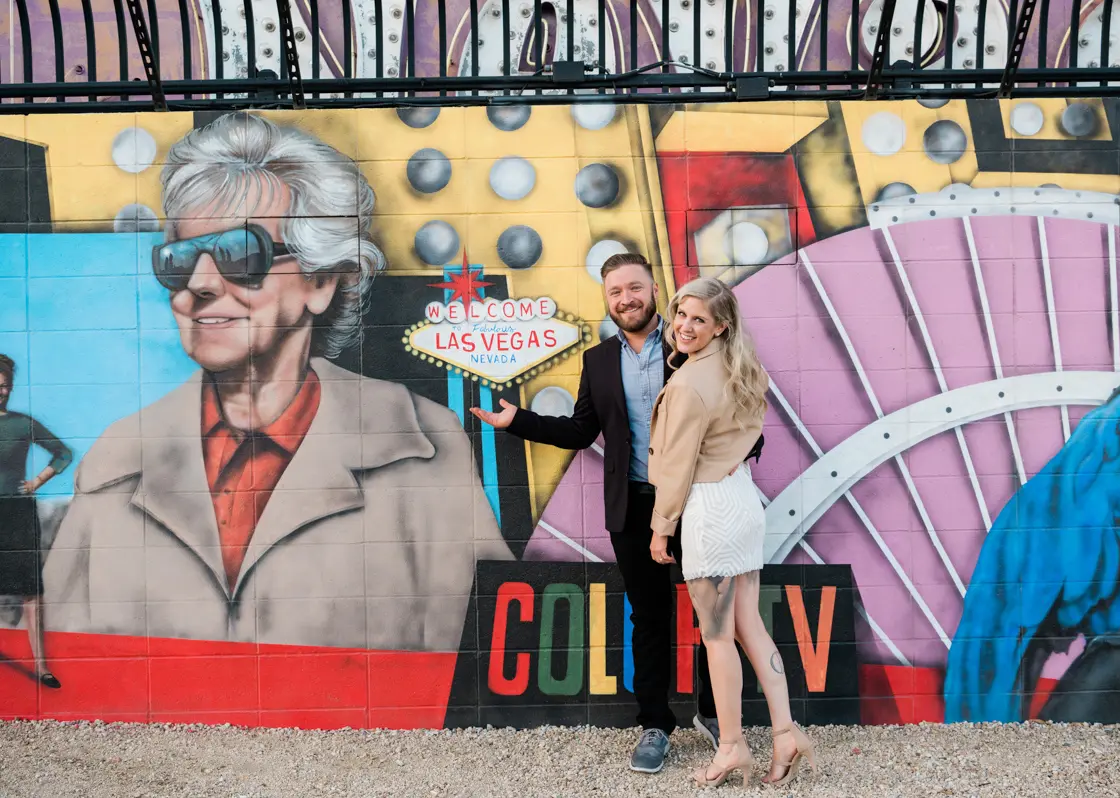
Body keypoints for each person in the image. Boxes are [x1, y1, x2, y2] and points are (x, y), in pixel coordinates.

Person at [43, 112, 512, 651]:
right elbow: (65, 661)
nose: (196, 285)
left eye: (239, 255)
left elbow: (479, 656)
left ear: (321, 280)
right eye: (178, 259)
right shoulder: (120, 456)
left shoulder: (422, 445)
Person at [470, 253, 762, 774]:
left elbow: (736, 405)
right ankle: (655, 724)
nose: (626, 299)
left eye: (635, 288)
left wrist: (737, 458)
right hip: (633, 505)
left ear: (654, 290)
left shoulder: (688, 343)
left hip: (699, 501)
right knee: (648, 618)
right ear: (607, 300)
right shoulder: (598, 361)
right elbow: (582, 431)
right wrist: (518, 421)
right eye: (615, 292)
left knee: (714, 617)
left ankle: (717, 715)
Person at [647, 277, 815, 787]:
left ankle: (732, 747)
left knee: (717, 638)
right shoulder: (743, 370)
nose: (684, 326)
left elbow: (675, 468)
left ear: (721, 325)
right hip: (742, 498)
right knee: (750, 627)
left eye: (698, 319)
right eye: (680, 314)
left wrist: (661, 529)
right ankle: (785, 734)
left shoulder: (687, 385)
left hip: (709, 507)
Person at [0, 353, 72, 688]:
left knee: (31, 591)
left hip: (17, 511)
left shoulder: (22, 423)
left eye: (5, 386)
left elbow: (63, 454)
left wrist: (36, 483)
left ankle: (42, 666)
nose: (1, 391)